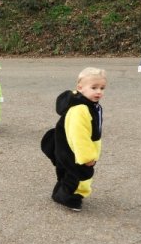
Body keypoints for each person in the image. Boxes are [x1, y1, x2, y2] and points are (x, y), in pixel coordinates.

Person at [40, 68, 106, 212]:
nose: (99, 92)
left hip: (69, 148)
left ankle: (60, 192)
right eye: (94, 87)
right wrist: (87, 157)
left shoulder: (89, 104)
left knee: (67, 172)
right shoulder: (81, 109)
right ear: (80, 87)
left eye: (102, 88)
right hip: (74, 151)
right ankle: (68, 198)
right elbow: (79, 135)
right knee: (79, 176)